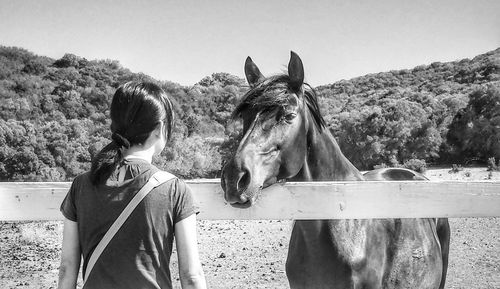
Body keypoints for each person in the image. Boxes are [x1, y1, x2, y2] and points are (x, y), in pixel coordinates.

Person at [57, 81, 206, 289]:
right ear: (160, 128)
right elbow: (191, 276)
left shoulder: (81, 185)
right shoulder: (174, 189)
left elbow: (67, 268)